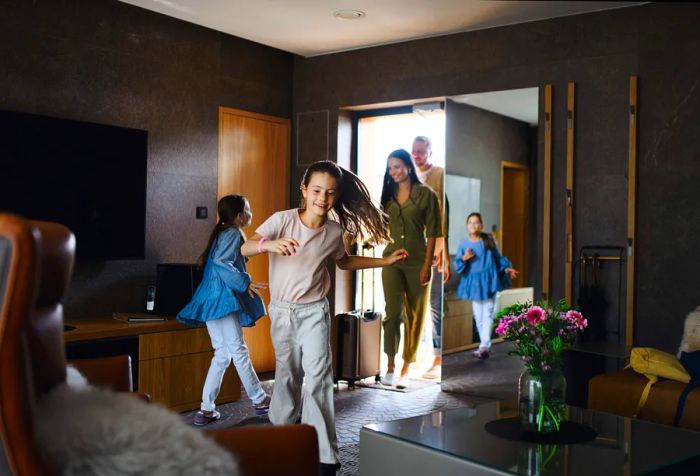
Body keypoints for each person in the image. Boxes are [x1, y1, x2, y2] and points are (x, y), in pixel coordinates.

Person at [240, 161, 408, 475]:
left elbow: (344, 263)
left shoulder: (334, 231)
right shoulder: (283, 220)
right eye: (316, 190)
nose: (323, 197)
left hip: (314, 311)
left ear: (336, 196)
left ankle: (325, 457)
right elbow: (246, 247)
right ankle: (282, 442)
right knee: (287, 376)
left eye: (330, 192)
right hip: (282, 312)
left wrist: (385, 260)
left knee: (318, 379)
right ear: (304, 190)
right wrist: (269, 244)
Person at [177, 195, 271, 426]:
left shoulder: (222, 232)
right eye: (248, 210)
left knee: (222, 353)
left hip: (211, 298)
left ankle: (206, 409)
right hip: (221, 299)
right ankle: (260, 400)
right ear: (239, 216)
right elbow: (221, 262)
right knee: (237, 350)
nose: (251, 213)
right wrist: (244, 281)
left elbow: (218, 262)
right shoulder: (233, 234)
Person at [379, 149, 442, 388]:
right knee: (392, 313)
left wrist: (427, 266)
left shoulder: (427, 195)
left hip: (418, 262)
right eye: (390, 168)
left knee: (415, 316)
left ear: (407, 166)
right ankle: (391, 366)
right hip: (392, 260)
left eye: (396, 166)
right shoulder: (387, 194)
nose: (393, 172)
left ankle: (407, 366)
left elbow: (434, 233)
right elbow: (381, 225)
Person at [411, 136, 450, 379]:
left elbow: (443, 216)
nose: (417, 155)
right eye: (414, 151)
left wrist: (440, 252)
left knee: (434, 303)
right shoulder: (406, 177)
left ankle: (438, 356)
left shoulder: (440, 175)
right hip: (412, 248)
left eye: (421, 152)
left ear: (430, 152)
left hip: (433, 246)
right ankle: (412, 354)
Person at [454, 212, 518, 359]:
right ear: (467, 225)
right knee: (478, 315)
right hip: (474, 284)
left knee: (488, 312)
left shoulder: (487, 239)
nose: (473, 225)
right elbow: (458, 264)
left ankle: (484, 346)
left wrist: (507, 267)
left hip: (489, 281)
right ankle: (484, 345)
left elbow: (497, 257)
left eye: (476, 222)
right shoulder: (464, 244)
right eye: (470, 222)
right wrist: (465, 257)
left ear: (481, 225)